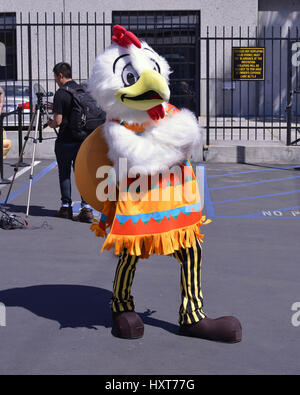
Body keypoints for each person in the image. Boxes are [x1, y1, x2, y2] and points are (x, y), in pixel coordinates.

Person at [47, 62, 93, 222]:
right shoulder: (83, 90)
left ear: (60, 75)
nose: (56, 81)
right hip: (84, 139)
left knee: (64, 173)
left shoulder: (60, 94)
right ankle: (86, 208)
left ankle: (65, 207)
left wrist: (49, 123)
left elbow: (58, 121)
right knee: (82, 175)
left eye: (55, 78)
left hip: (65, 140)